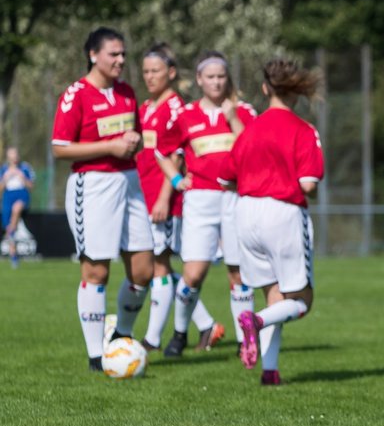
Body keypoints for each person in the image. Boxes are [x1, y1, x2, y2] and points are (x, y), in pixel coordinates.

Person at [52, 27, 154, 371]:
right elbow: (60, 148)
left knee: (143, 270)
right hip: (92, 185)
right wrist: (109, 147)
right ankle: (97, 356)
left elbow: (133, 133)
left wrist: (132, 143)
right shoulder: (76, 95)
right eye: (114, 54)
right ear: (93, 55)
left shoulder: (126, 92)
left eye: (123, 54)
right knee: (96, 270)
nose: (121, 60)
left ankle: (119, 338)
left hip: (130, 181)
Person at [227, 58, 324, 386]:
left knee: (275, 293)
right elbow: (308, 183)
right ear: (296, 91)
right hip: (281, 213)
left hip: (246, 212)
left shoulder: (249, 131)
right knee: (301, 301)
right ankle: (255, 320)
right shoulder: (303, 130)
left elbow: (229, 175)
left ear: (266, 88)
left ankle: (270, 371)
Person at [156, 50, 256, 357]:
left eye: (221, 76)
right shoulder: (185, 115)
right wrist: (175, 180)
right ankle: (180, 333)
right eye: (210, 77)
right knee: (194, 274)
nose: (216, 82)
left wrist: (232, 118)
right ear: (199, 79)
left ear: (228, 79)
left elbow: (254, 148)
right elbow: (161, 150)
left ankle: (245, 341)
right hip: (200, 200)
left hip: (236, 198)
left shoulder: (244, 111)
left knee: (239, 273)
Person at [135, 43, 224, 351]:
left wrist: (165, 194)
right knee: (165, 269)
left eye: (155, 71)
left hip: (167, 202)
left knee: (160, 266)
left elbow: (176, 157)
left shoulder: (176, 109)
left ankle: (152, 339)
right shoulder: (146, 108)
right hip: (144, 197)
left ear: (171, 73)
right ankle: (206, 325)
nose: (149, 77)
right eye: (145, 71)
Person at [2, 147, 35, 267]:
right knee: (9, 227)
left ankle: (11, 229)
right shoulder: (4, 169)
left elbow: (31, 186)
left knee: (16, 209)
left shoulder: (25, 168)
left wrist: (22, 177)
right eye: (12, 155)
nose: (14, 157)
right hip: (8, 198)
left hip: (21, 195)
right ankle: (13, 256)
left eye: (15, 155)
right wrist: (5, 179)